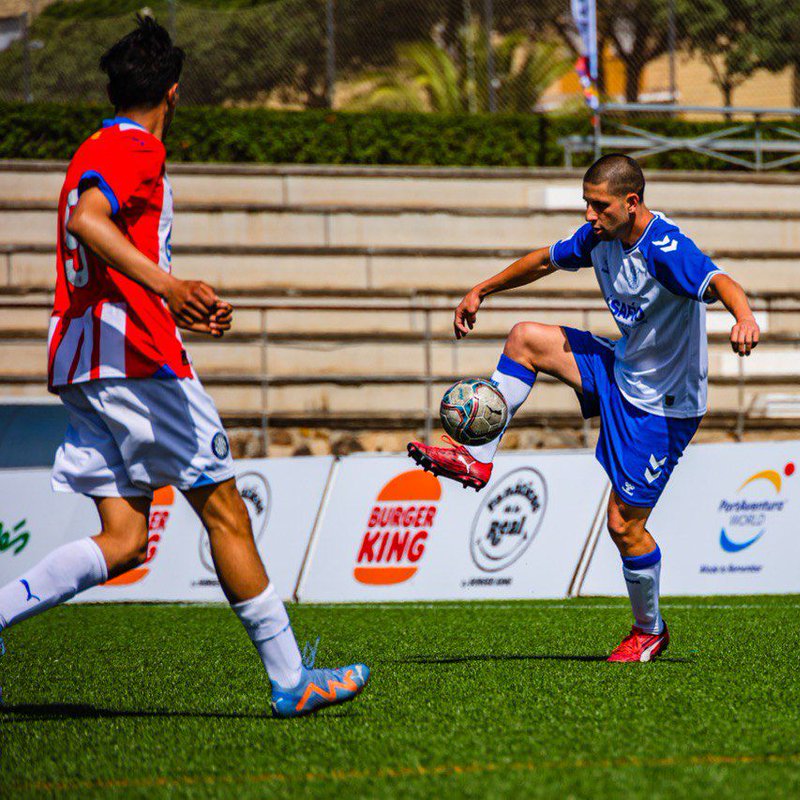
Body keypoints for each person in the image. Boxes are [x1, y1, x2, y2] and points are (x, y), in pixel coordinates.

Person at [0, 17, 367, 718]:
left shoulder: (92, 145)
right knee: (225, 511)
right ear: (172, 94)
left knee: (126, 538)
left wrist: (167, 295)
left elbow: (95, 228)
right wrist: (168, 289)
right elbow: (89, 221)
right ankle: (292, 679)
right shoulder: (137, 150)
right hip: (137, 361)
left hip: (82, 358)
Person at [408, 154, 760, 662]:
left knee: (624, 526)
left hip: (663, 406)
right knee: (525, 337)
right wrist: (481, 289)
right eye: (586, 204)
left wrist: (744, 317)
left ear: (631, 202)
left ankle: (650, 630)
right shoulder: (598, 236)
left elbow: (719, 280)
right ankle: (478, 457)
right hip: (619, 367)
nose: (590, 216)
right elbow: (544, 259)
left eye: (599, 206)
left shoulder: (665, 248)